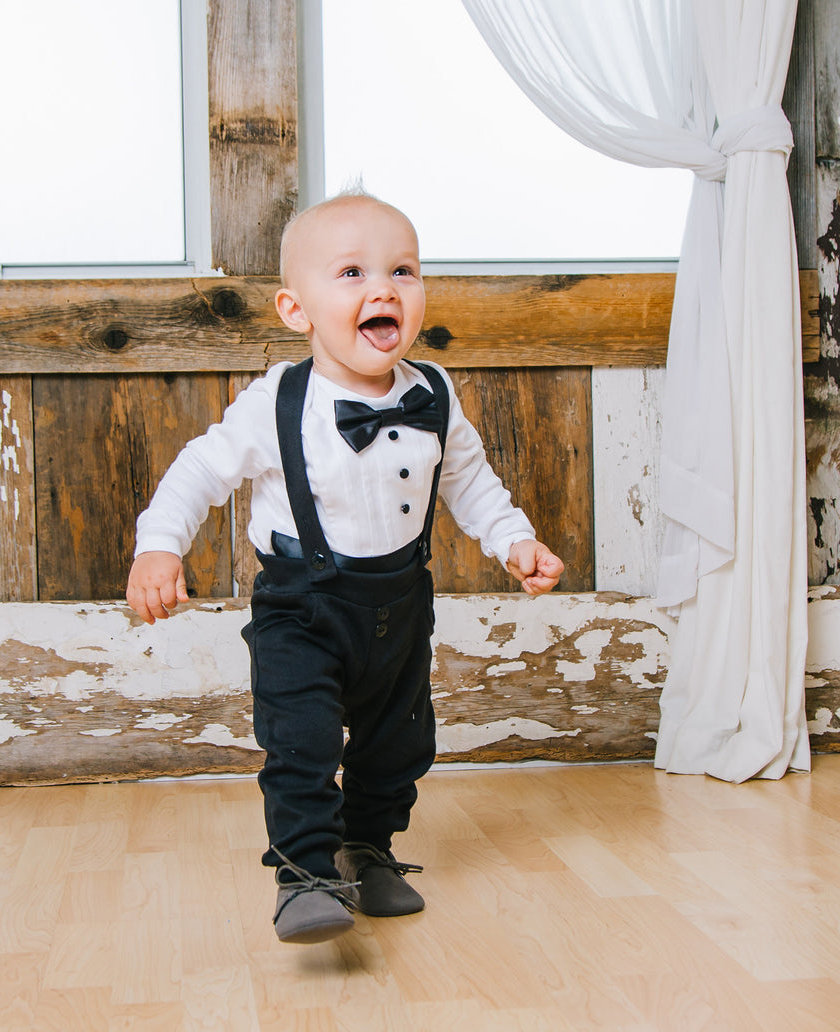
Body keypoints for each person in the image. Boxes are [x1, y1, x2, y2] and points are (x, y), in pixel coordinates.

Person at [126, 190, 564, 944]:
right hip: (302, 605)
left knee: (399, 744)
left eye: (402, 270)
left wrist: (513, 540)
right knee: (302, 741)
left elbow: (468, 480)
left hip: (398, 602)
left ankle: (369, 849)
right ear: (297, 310)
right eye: (353, 273)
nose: (383, 289)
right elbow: (199, 471)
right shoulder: (278, 402)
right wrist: (160, 544)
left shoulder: (433, 392)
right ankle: (302, 873)